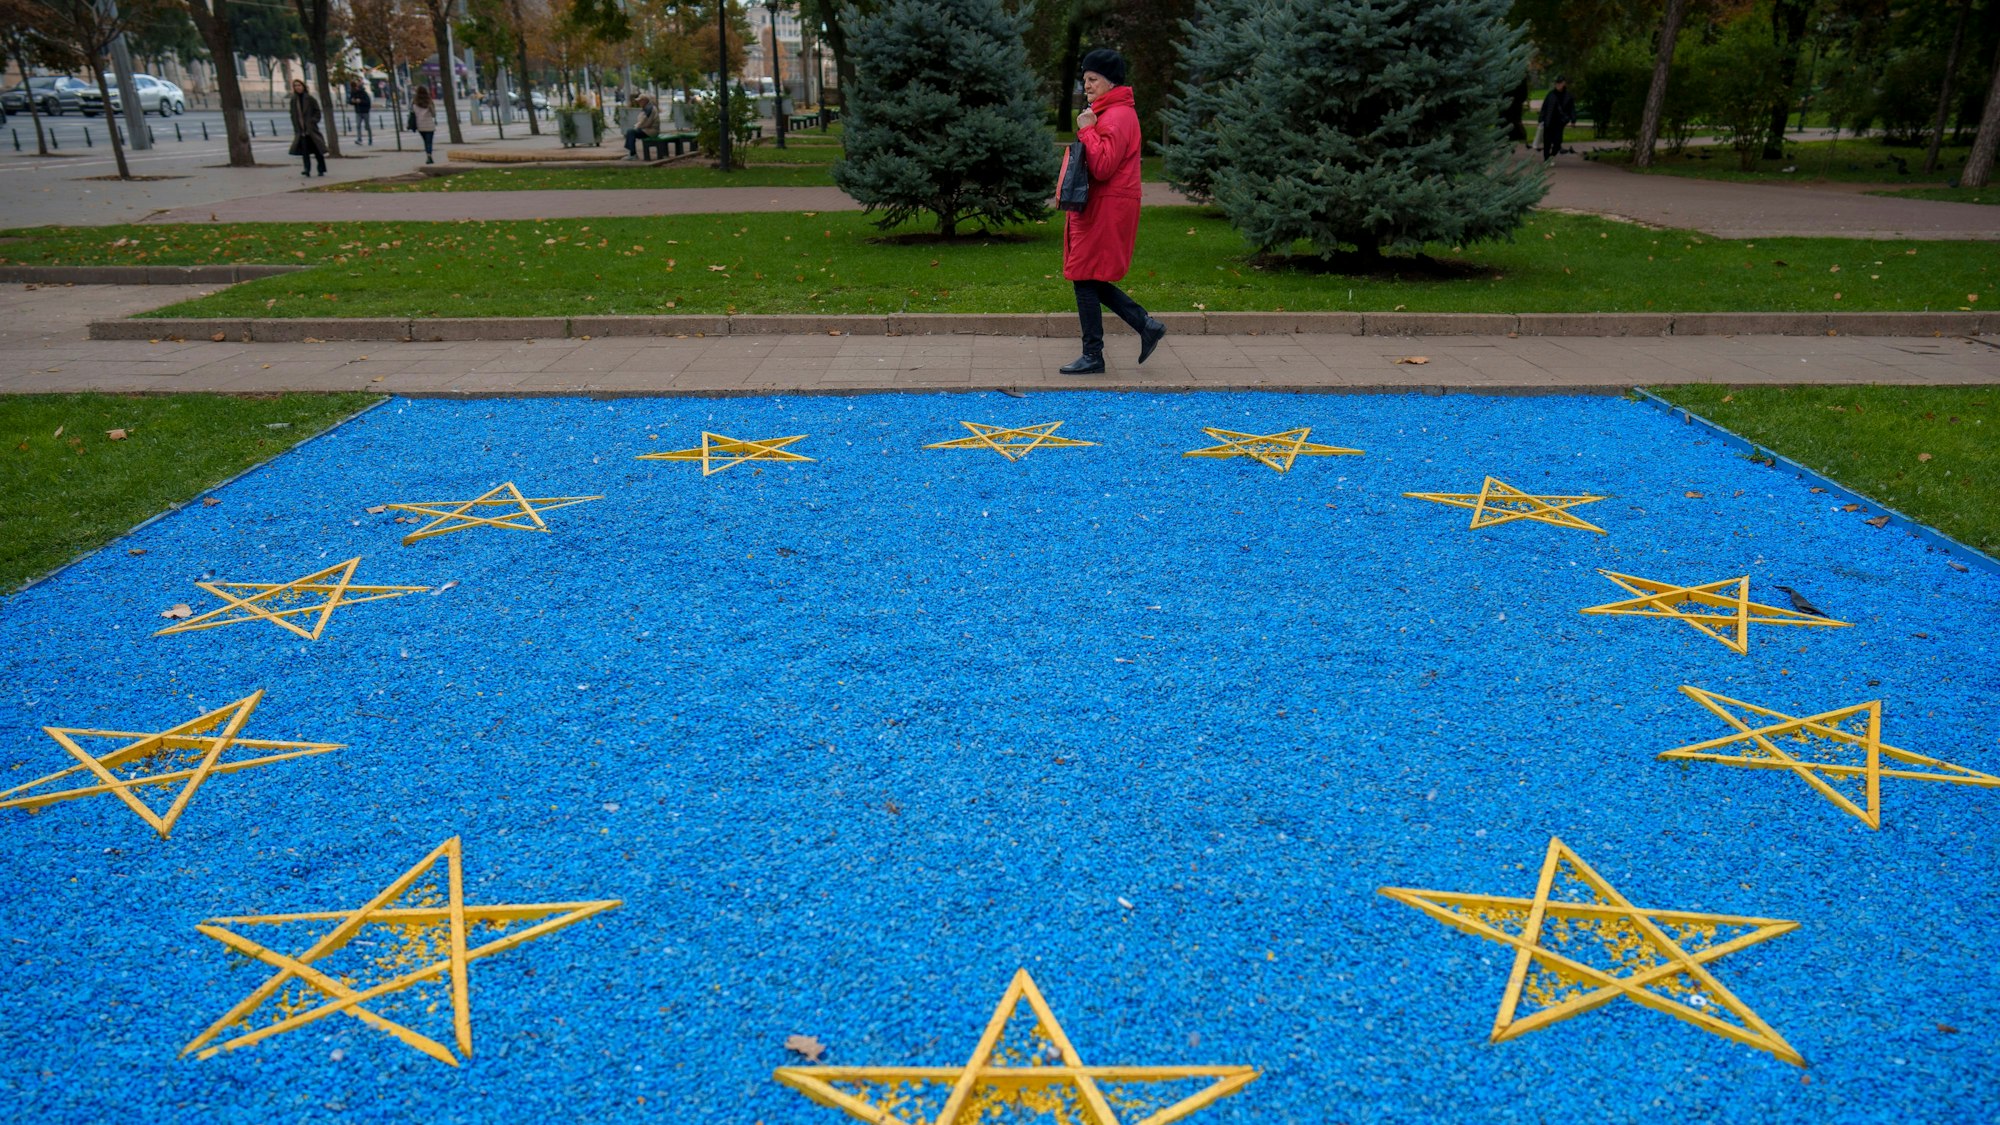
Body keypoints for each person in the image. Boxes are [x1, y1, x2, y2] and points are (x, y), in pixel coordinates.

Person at [1060, 48, 1164, 376]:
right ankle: (1144, 325)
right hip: (1100, 206)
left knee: (1083, 276)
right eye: (1085, 79)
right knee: (1087, 275)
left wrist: (1087, 129)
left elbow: (1103, 166)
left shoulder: (1117, 116)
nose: (1086, 85)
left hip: (1106, 207)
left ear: (1110, 82)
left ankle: (1094, 355)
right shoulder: (1108, 112)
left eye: (1093, 79)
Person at [288, 78, 328, 177]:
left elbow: (317, 111)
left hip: (311, 129)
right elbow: (293, 114)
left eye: (299, 85)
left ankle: (321, 169)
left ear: (303, 86)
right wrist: (296, 127)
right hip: (301, 131)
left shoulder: (309, 98)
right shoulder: (293, 100)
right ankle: (307, 169)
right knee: (305, 152)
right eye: (295, 86)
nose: (298, 87)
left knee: (317, 150)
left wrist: (313, 121)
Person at [1538, 76, 1576, 162]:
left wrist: (1573, 120)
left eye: (1560, 83)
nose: (1558, 85)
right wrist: (1541, 119)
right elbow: (1544, 107)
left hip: (1560, 123)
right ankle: (1546, 159)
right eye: (1557, 83)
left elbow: (1572, 109)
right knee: (1547, 141)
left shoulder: (1568, 96)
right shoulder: (1550, 95)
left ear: (1564, 84)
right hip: (1549, 121)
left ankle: (1551, 156)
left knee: (1557, 142)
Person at [623, 94, 659, 160]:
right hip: (648, 130)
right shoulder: (648, 108)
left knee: (631, 132)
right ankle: (632, 153)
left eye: (640, 101)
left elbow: (645, 122)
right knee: (630, 132)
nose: (638, 102)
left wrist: (636, 127)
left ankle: (633, 154)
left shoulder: (649, 109)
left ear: (644, 101)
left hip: (650, 131)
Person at [412, 85, 437, 164]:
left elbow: (412, 113)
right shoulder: (429, 101)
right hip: (429, 125)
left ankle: (428, 154)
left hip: (420, 125)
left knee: (425, 141)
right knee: (429, 142)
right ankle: (429, 156)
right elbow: (433, 114)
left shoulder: (414, 102)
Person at [348, 80, 373, 146]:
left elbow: (368, 102)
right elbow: (350, 101)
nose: (355, 88)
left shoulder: (363, 93)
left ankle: (370, 139)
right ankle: (359, 139)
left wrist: (361, 101)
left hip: (365, 111)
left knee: (367, 126)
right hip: (358, 111)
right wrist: (352, 101)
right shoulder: (353, 93)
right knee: (358, 125)